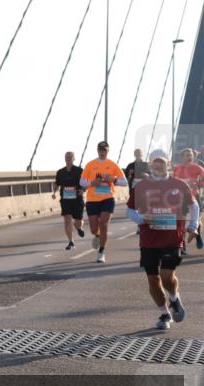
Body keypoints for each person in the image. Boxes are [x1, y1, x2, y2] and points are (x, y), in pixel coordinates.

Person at [126, 149, 196, 330]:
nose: (158, 165)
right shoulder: (140, 186)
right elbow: (130, 210)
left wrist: (193, 226)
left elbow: (193, 205)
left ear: (168, 164)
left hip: (172, 238)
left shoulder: (179, 185)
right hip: (149, 240)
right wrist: (142, 219)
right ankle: (165, 314)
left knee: (166, 275)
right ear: (150, 165)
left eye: (162, 162)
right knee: (153, 280)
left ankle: (174, 297)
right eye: (155, 162)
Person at [80, 140, 127, 264]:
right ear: (97, 151)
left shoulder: (112, 165)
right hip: (92, 200)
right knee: (94, 228)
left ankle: (101, 251)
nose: (102, 152)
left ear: (108, 151)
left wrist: (114, 180)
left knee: (104, 224)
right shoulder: (90, 165)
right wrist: (91, 183)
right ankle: (96, 235)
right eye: (100, 150)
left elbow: (124, 182)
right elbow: (81, 182)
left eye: (104, 150)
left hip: (108, 198)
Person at [172, 148, 204, 252]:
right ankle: (182, 244)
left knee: (196, 219)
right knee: (181, 221)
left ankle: (197, 235)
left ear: (194, 157)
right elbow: (173, 181)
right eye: (187, 155)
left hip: (195, 196)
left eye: (191, 155)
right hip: (181, 198)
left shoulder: (198, 168)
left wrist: (198, 183)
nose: (189, 157)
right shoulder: (177, 168)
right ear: (182, 157)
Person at [54, 151, 85, 250]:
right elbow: (57, 183)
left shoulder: (80, 170)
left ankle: (78, 227)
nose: (68, 158)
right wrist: (54, 192)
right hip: (65, 199)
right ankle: (71, 241)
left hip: (77, 199)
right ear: (64, 158)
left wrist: (83, 190)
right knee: (67, 220)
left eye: (70, 157)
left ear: (74, 158)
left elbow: (86, 182)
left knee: (78, 221)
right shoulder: (60, 172)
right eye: (66, 157)